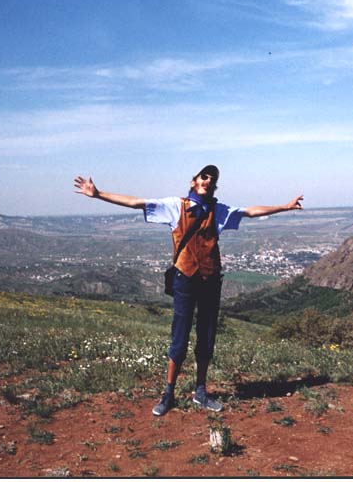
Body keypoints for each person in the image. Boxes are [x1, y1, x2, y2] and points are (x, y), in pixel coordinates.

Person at [74, 165, 303, 416]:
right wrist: (98, 194)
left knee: (206, 336)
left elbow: (250, 211)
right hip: (185, 278)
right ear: (194, 181)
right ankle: (169, 393)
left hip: (210, 279)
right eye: (203, 176)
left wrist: (285, 206)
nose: (208, 180)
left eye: (212, 178)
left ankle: (200, 391)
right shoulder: (176, 206)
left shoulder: (219, 210)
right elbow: (136, 202)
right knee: (179, 337)